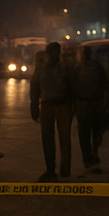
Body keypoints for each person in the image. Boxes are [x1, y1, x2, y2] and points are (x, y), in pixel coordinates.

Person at [29, 42, 72, 180]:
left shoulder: (63, 67)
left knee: (59, 139)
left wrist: (34, 106)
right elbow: (35, 87)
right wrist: (34, 106)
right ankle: (54, 170)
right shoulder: (50, 67)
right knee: (53, 139)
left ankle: (58, 170)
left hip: (61, 105)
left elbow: (35, 87)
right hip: (52, 106)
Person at [68, 44, 109, 175]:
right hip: (95, 105)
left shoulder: (77, 69)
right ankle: (94, 155)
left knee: (84, 134)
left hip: (83, 106)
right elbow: (106, 85)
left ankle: (88, 159)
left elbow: (71, 88)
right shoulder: (98, 67)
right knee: (96, 132)